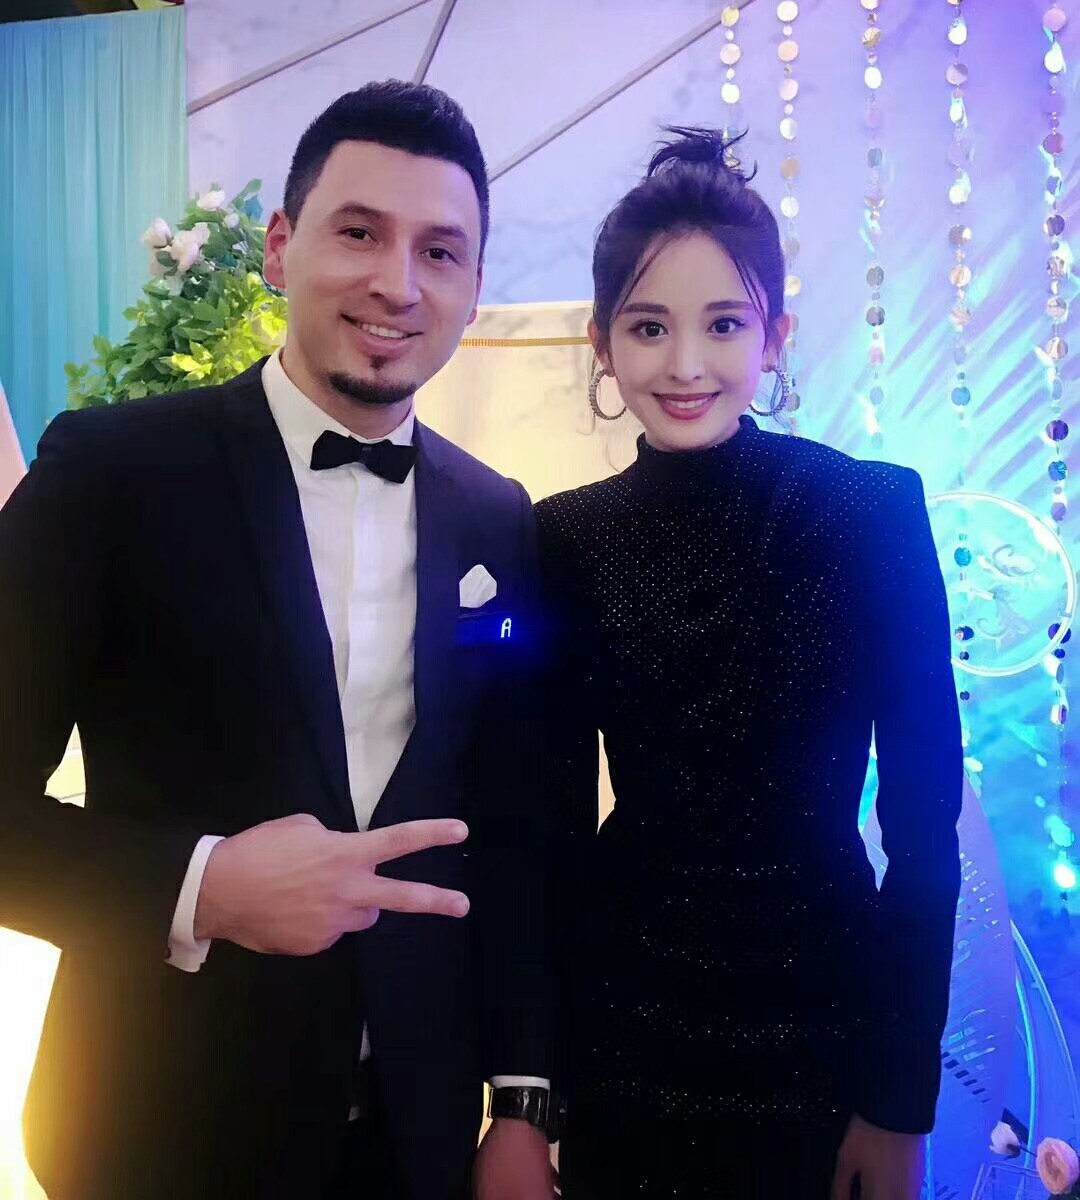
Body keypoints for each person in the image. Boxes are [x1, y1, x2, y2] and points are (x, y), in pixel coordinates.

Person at [0, 81, 559, 1200]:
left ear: (473, 288)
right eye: (358, 232)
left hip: (414, 1134)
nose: (397, 282)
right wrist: (201, 886)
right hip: (157, 1125)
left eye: (439, 251)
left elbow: (516, 830)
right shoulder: (114, 472)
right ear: (279, 246)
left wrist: (522, 1100)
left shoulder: (497, 515)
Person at [536, 128, 963, 1199]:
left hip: (822, 1032)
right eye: (648, 326)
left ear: (775, 337)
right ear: (601, 344)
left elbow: (924, 834)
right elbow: (548, 834)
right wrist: (533, 1098)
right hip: (624, 1036)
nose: (685, 365)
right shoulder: (562, 539)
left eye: (724, 324)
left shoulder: (871, 513)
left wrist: (899, 1103)